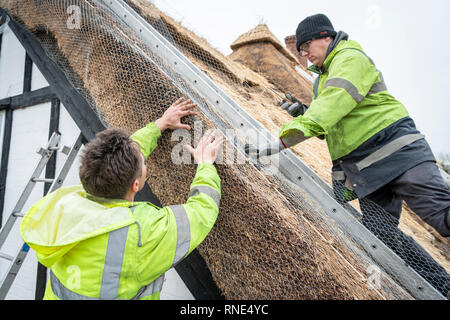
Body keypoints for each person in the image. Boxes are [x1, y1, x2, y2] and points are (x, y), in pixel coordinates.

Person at [246, 13, 450, 238]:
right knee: (380, 240)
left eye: (306, 45)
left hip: (398, 154)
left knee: (443, 217)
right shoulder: (321, 80)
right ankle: (436, 276)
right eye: (300, 50)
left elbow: (333, 104)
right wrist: (303, 111)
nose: (303, 53)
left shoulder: (350, 57)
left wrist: (279, 142)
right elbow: (336, 119)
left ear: (325, 37)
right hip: (368, 171)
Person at [20, 97, 224, 300]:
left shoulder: (65, 204)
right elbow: (201, 212)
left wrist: (160, 124)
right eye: (144, 164)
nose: (145, 163)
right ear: (136, 184)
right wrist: (205, 164)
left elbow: (123, 156)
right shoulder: (142, 232)